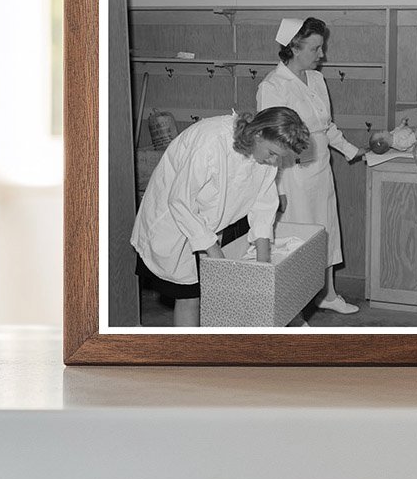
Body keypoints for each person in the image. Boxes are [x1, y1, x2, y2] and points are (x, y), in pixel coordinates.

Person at [131, 107, 310, 327]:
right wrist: (214, 252)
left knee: (208, 292)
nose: (274, 161)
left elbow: (263, 206)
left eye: (279, 157)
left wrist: (264, 265)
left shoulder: (265, 154)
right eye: (272, 153)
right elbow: (179, 201)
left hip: (207, 221)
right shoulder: (212, 141)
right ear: (258, 134)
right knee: (189, 296)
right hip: (173, 218)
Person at [257, 17, 362, 315]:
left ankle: (328, 294)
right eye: (315, 48)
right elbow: (270, 141)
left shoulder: (316, 79)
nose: (322, 54)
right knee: (298, 241)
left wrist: (354, 151)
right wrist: (276, 189)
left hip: (321, 169)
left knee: (325, 231)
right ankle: (295, 306)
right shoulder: (272, 86)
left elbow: (325, 127)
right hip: (292, 176)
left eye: (321, 47)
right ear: (294, 47)